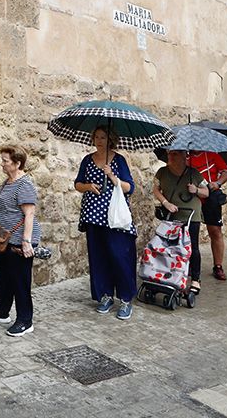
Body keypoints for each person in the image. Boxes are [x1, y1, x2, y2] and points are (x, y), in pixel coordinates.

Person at [74, 127, 137, 320]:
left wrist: (112, 176)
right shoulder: (87, 160)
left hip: (114, 218)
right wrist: (88, 187)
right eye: (96, 137)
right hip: (93, 217)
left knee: (119, 257)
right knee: (98, 258)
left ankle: (126, 299)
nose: (99, 140)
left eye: (103, 137)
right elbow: (77, 184)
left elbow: (130, 187)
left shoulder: (118, 160)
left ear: (111, 140)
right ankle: (105, 295)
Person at [0, 147, 40, 337]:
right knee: (3, 277)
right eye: (2, 160)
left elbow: (29, 213)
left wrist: (26, 241)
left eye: (5, 161)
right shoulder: (7, 183)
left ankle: (25, 320)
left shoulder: (24, 185)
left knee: (19, 281)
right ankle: (1, 311)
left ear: (17, 163)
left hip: (19, 240)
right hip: (3, 239)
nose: (2, 163)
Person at [153, 149, 208, 292]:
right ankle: (171, 274)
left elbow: (206, 192)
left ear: (185, 156)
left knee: (192, 247)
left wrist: (196, 190)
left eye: (175, 153)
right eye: (169, 153)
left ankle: (195, 280)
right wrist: (166, 203)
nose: (170, 156)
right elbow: (156, 189)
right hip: (172, 214)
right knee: (169, 247)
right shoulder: (162, 172)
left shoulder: (194, 173)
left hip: (191, 215)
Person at [189, 150, 227, 280]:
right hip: (192, 198)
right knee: (190, 232)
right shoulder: (185, 157)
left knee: (215, 231)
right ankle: (190, 264)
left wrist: (217, 183)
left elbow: (225, 172)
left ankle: (218, 266)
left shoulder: (211, 155)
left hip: (211, 197)